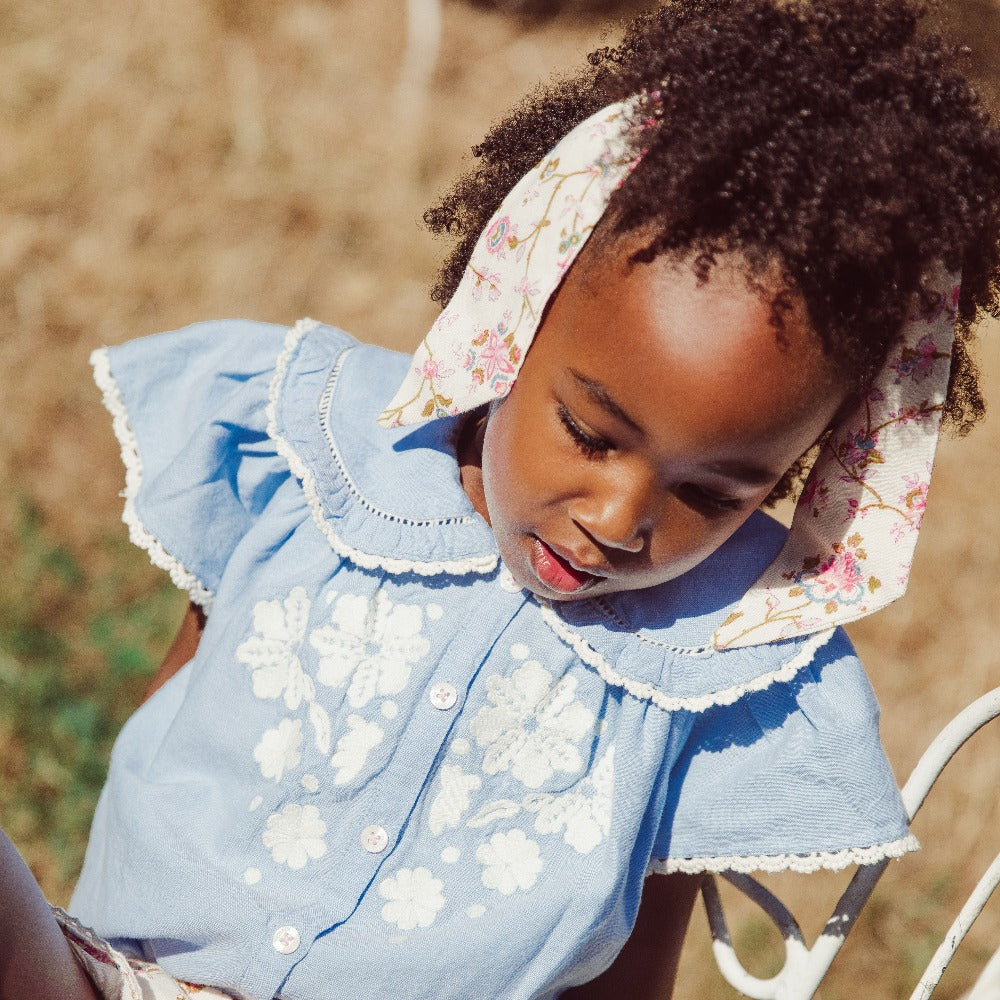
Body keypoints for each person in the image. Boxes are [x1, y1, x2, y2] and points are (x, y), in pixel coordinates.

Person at [3, 1, 999, 998]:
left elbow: (625, 976)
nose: (616, 521)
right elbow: (163, 732)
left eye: (712, 490)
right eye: (591, 434)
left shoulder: (704, 664)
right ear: (512, 317)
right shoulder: (314, 461)